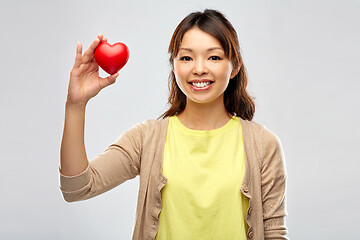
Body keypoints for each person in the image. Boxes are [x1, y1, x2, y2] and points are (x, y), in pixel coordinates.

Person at [60, 9, 288, 240]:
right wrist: (75, 104)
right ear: (174, 65)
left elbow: (274, 233)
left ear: (235, 67)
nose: (199, 68)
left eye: (214, 57)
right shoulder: (147, 138)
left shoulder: (263, 144)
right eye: (186, 57)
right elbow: (77, 188)